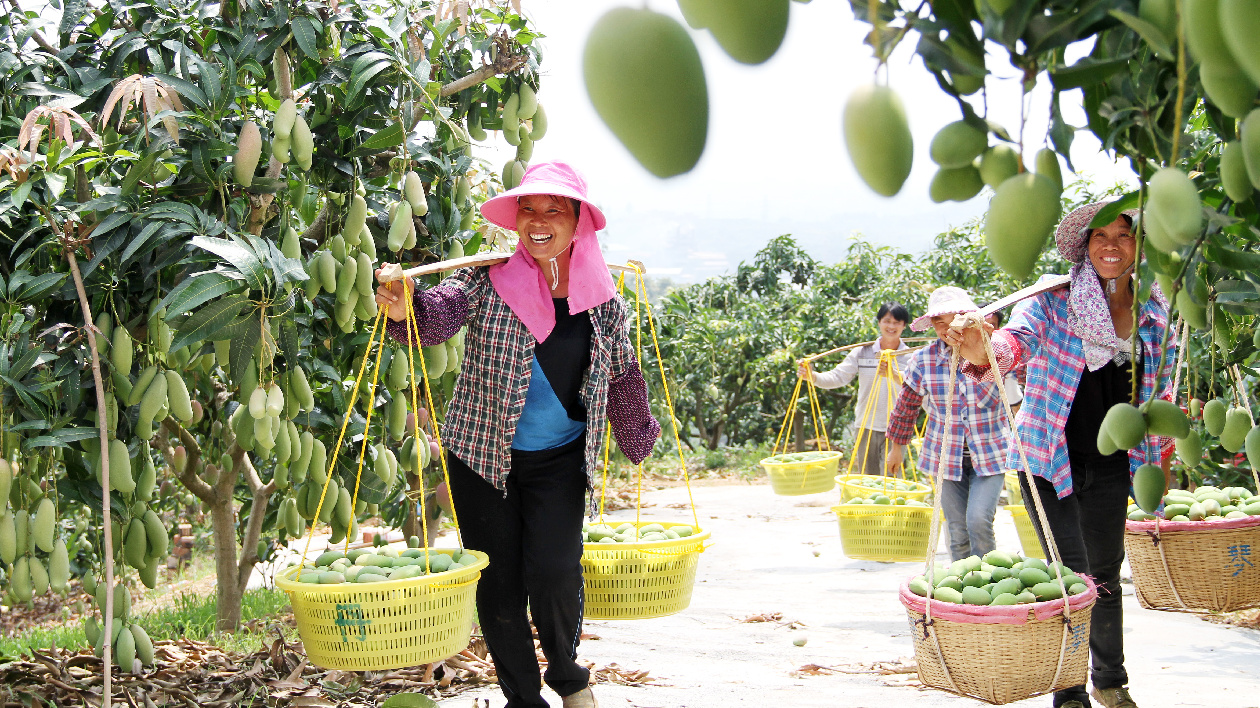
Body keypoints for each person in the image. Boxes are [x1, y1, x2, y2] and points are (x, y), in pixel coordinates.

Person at [375, 161, 661, 708]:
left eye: (555, 209)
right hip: (482, 455)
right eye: (528, 208)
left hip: (558, 458)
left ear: (579, 221)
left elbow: (623, 371)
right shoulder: (486, 278)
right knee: (498, 582)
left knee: (554, 570)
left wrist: (636, 435)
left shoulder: (604, 301)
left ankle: (568, 674)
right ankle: (522, 698)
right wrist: (407, 303)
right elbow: (439, 314)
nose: (538, 220)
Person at [944, 202, 1176, 708]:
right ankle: (1069, 690)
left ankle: (1111, 682)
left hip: (1116, 464)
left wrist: (1167, 453)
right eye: (1100, 236)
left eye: (1124, 235)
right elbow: (1015, 343)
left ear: (1141, 247)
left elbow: (1161, 396)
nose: (1111, 245)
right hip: (1049, 458)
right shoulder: (1053, 302)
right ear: (1084, 245)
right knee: (1070, 574)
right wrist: (984, 347)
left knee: (1107, 573)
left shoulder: (1155, 314)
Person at [885, 287, 1010, 561]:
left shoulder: (993, 352)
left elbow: (1020, 377)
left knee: (978, 520)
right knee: (957, 529)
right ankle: (964, 587)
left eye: (953, 320)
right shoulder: (924, 360)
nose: (946, 329)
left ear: (967, 319)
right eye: (939, 322)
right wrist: (897, 448)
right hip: (944, 457)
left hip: (990, 454)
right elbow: (906, 406)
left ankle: (990, 583)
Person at [797, 302, 912, 476]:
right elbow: (838, 376)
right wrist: (812, 377)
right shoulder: (862, 352)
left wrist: (894, 373)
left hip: (897, 428)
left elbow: (917, 386)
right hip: (866, 426)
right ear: (879, 322)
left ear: (904, 325)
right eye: (887, 321)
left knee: (892, 481)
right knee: (867, 479)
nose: (891, 326)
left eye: (897, 322)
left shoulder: (911, 356)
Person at [985, 309, 1024, 417]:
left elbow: (1014, 399)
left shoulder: (1004, 359)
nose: (985, 329)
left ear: (997, 329)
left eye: (991, 325)